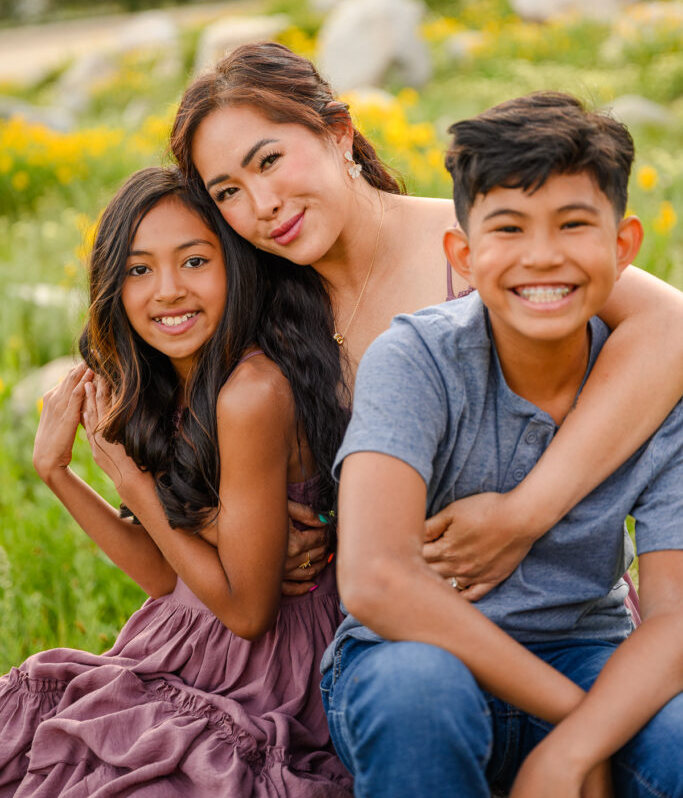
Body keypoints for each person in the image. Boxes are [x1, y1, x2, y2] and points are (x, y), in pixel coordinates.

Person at [170, 42, 683, 597]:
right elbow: (165, 421)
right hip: (385, 624)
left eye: (268, 161)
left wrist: (523, 514)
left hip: (555, 610)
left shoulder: (472, 249)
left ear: (338, 132)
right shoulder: (260, 307)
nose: (262, 204)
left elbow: (670, 326)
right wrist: (223, 523)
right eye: (228, 192)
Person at [319, 92, 683, 798]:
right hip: (409, 659)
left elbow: (674, 619)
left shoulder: (658, 388)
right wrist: (576, 731)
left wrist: (572, 746)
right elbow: (375, 579)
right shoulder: (417, 358)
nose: (541, 257)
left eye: (573, 224)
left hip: (585, 651)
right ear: (462, 252)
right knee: (417, 692)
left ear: (622, 246)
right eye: (508, 229)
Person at [0, 167, 353, 797]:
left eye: (194, 261)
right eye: (139, 270)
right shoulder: (170, 381)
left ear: (237, 266)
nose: (167, 291)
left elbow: (247, 612)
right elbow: (168, 577)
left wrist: (136, 485)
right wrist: (55, 474)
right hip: (183, 642)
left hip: (259, 673)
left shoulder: (252, 392)